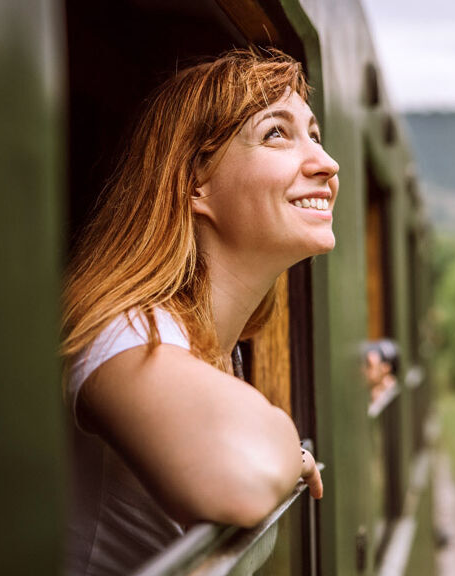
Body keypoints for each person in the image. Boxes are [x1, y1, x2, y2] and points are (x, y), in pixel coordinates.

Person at [60, 48, 334, 575]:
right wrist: (289, 444)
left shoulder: (215, 344)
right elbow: (243, 476)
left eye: (315, 135)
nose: (327, 162)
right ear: (193, 182)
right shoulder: (126, 330)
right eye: (277, 133)